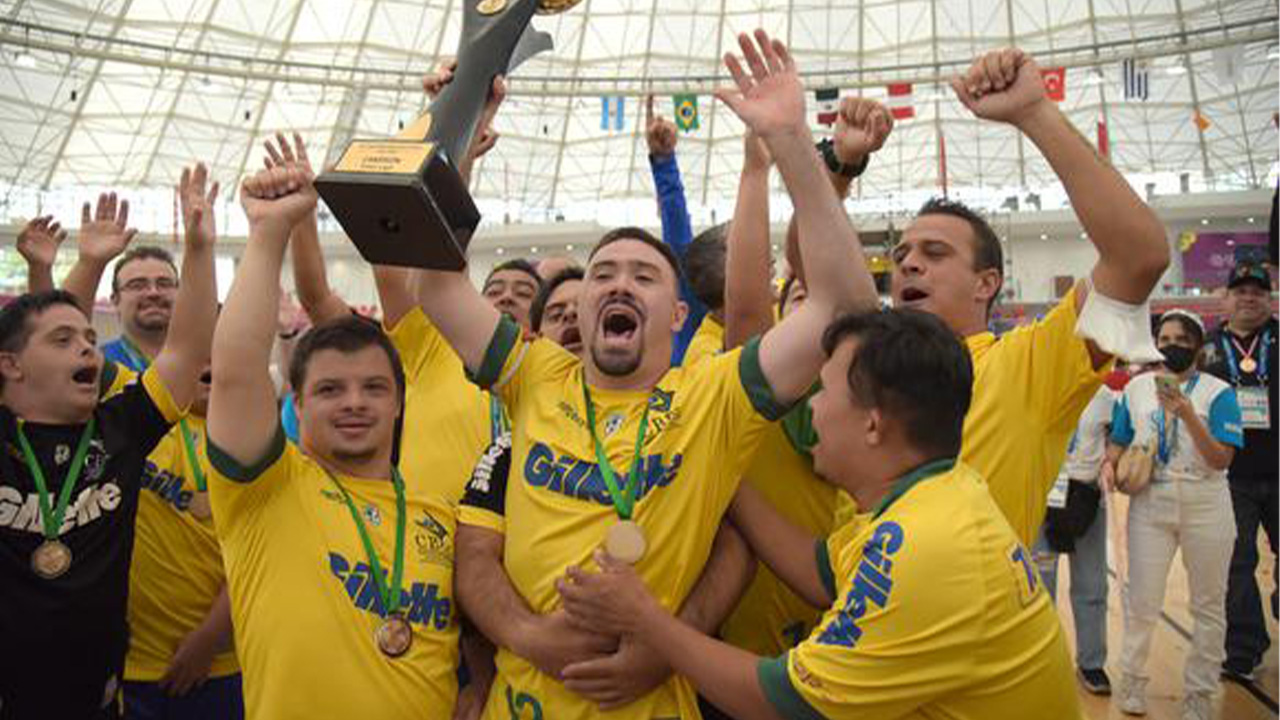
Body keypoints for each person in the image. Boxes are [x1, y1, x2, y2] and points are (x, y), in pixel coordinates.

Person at [423, 29, 877, 719]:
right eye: (603, 273)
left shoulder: (716, 395)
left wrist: (791, 144)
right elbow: (439, 286)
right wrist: (459, 132)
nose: (617, 284)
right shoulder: (535, 373)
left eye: (644, 275)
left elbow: (845, 305)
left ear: (676, 316)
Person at [555, 309, 1082, 720]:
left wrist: (645, 618)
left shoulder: (928, 547)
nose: (811, 408)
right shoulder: (939, 494)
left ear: (873, 425)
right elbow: (819, 572)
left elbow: (780, 703)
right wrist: (713, 460)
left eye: (824, 391)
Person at [787, 47, 1170, 547]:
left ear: (986, 283)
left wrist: (1035, 113)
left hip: (974, 619)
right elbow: (805, 259)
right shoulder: (871, 355)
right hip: (857, 615)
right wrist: (840, 162)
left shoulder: (1029, 365)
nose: (908, 262)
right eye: (902, 253)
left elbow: (1139, 256)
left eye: (935, 252)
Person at [206, 160, 463, 718]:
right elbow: (235, 370)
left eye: (374, 387)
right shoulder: (263, 489)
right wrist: (269, 231)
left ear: (399, 403)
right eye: (329, 390)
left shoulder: (439, 515)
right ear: (296, 405)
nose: (354, 402)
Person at [0, 175, 215, 718]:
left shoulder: (120, 428)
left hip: (100, 694)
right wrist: (82, 264)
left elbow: (188, 349)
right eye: (68, 342)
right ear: (9, 366)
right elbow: (37, 327)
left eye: (91, 341)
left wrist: (200, 248)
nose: (86, 351)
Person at [1107, 309, 1243, 720]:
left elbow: (1221, 459)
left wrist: (1185, 413)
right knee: (1142, 600)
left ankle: (1200, 694)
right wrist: (1112, 466)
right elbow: (1118, 440)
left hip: (1207, 501)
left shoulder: (1219, 393)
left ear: (1199, 348)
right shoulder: (1136, 388)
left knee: (1208, 604)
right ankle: (1131, 680)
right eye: (1164, 339)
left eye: (1182, 340)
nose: (1171, 346)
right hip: (1151, 502)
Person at [1204, 261, 1278, 683]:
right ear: (1224, 297)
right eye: (1240, 290)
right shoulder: (1207, 347)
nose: (1249, 297)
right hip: (1232, 474)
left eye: (1258, 291)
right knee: (1237, 562)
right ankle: (1244, 649)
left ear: (1269, 299)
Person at [1035, 384, 1117, 695]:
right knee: (1040, 584)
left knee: (1092, 584)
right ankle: (1041, 660)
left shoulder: (1105, 396)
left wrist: (1111, 460)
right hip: (1045, 499)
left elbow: (1116, 439)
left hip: (1086, 500)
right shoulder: (1039, 387)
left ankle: (1092, 663)